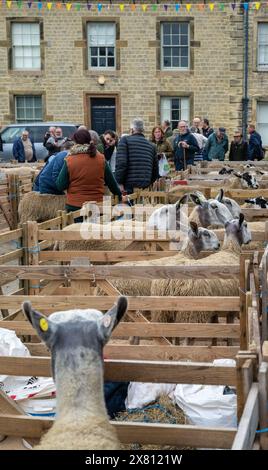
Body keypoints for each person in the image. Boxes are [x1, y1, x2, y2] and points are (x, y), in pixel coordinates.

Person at [56, 129, 123, 213]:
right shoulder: (101, 158)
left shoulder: (69, 159)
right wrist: (120, 196)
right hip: (96, 205)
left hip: (75, 206)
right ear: (89, 140)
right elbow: (111, 182)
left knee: (75, 226)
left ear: (75, 142)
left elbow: (60, 185)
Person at [115, 118, 159, 194]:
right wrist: (148, 182)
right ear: (143, 130)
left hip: (128, 185)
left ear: (132, 129)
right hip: (145, 185)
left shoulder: (125, 140)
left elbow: (121, 163)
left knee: (127, 205)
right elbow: (155, 169)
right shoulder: (152, 145)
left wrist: (119, 182)